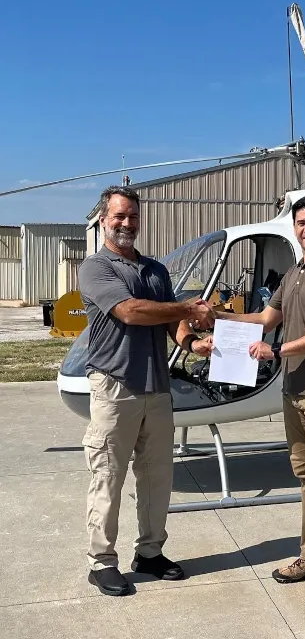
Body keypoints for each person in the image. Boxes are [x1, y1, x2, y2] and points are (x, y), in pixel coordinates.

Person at [216, 194, 305, 606]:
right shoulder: (295, 273)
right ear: (294, 228)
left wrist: (277, 352)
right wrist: (218, 318)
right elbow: (265, 319)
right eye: (301, 223)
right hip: (294, 391)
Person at [78, 185, 215, 597]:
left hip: (157, 388)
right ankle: (101, 561)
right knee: (108, 475)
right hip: (114, 387)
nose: (126, 223)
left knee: (158, 476)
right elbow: (131, 311)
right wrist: (191, 309)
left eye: (133, 217)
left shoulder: (156, 270)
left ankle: (150, 552)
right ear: (103, 219)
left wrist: (193, 343)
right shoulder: (95, 268)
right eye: (119, 216)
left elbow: (170, 323)